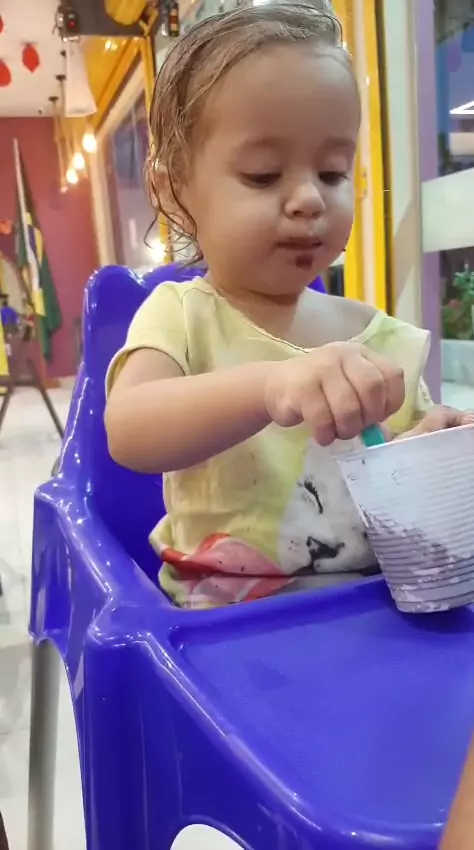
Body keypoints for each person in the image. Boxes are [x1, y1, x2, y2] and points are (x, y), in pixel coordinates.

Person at [106, 0, 471, 610]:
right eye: (263, 174)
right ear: (176, 188)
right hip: (224, 625)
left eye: (331, 173)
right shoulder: (183, 316)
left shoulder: (377, 339)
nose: (308, 198)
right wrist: (271, 385)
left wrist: (437, 443)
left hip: (377, 610)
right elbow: (129, 430)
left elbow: (398, 478)